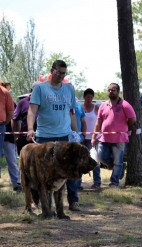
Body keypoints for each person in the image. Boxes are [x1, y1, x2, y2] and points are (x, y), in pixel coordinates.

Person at [26, 60, 79, 210]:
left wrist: (76, 133)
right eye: (58, 72)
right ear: (52, 71)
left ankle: (73, 201)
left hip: (64, 136)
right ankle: (36, 201)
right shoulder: (40, 88)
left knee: (69, 169)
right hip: (44, 136)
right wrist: (30, 129)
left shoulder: (69, 90)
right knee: (40, 172)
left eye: (63, 73)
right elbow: (32, 110)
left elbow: (72, 113)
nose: (61, 76)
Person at [92, 83, 136, 189]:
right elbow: (98, 122)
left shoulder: (125, 105)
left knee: (117, 161)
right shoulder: (103, 105)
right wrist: (94, 137)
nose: (111, 91)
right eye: (109, 90)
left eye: (113, 90)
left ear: (118, 91)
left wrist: (123, 127)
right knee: (101, 157)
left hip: (119, 139)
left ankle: (114, 182)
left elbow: (133, 119)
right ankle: (120, 168)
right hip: (104, 138)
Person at [66, 98, 86, 205]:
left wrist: (77, 136)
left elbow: (76, 118)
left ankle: (73, 200)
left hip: (70, 137)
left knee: (73, 168)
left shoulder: (75, 105)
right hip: (54, 136)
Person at [82, 88, 101, 188]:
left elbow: (100, 122)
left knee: (94, 159)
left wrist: (98, 135)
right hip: (82, 137)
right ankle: (78, 182)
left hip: (93, 138)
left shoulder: (96, 108)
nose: (89, 99)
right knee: (80, 160)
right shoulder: (80, 107)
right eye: (87, 96)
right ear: (84, 97)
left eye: (91, 97)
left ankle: (97, 181)